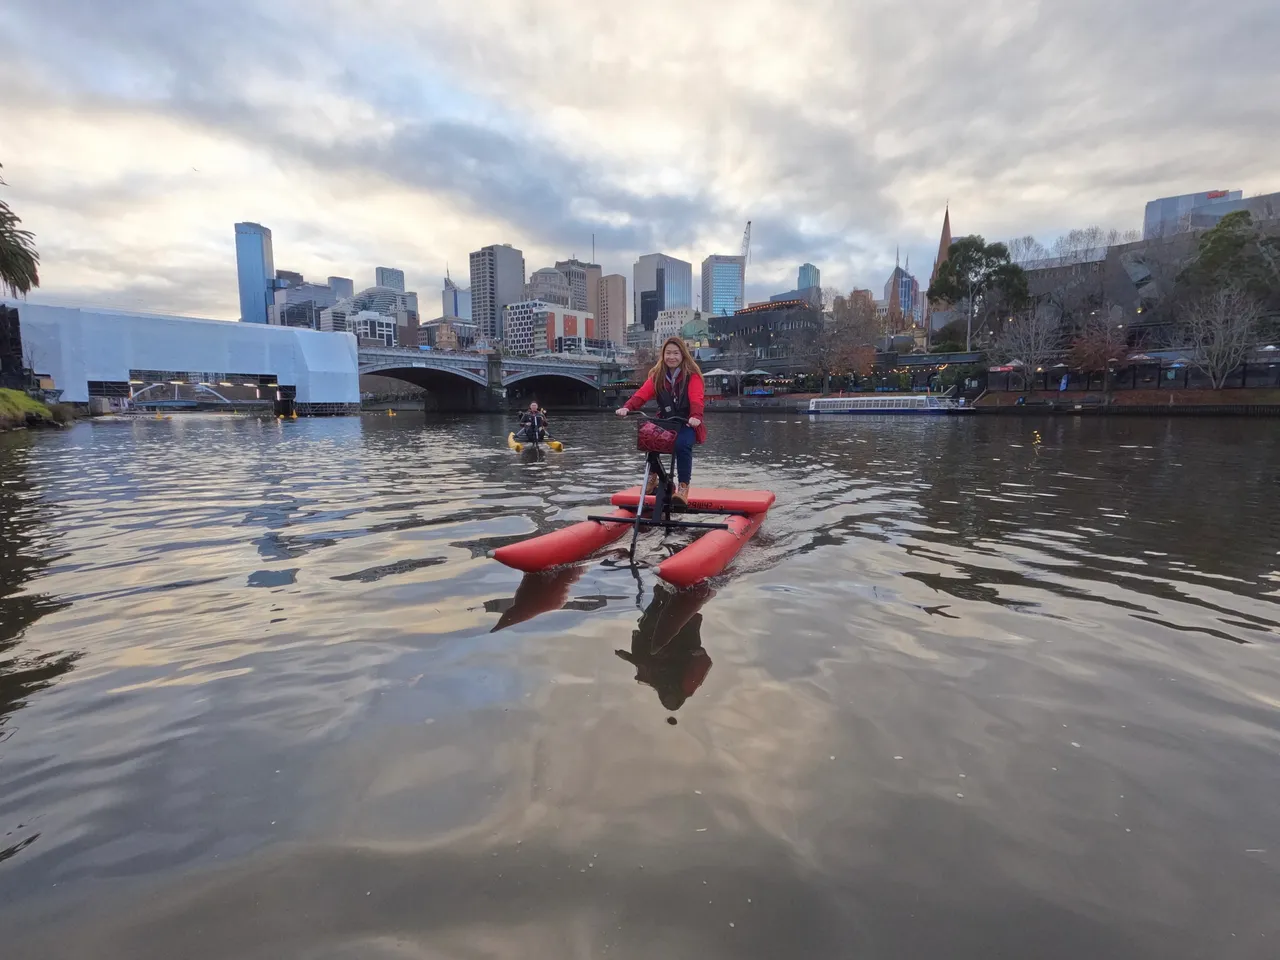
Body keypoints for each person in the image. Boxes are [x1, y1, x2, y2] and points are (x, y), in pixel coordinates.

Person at [615, 336, 705, 504]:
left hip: (686, 423)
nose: (672, 357)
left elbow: (696, 398)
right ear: (663, 355)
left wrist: (696, 416)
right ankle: (653, 476)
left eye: (676, 353)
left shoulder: (692, 376)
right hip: (665, 421)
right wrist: (627, 407)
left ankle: (683, 487)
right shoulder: (658, 376)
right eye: (668, 353)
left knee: (682, 445)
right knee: (648, 436)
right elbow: (642, 394)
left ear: (683, 355)